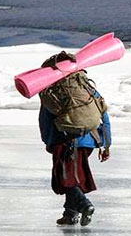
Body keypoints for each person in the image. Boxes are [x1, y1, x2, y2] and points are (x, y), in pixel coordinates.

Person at [39, 83, 112, 227]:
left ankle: (84, 205)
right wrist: (106, 143)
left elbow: (45, 120)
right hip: (89, 139)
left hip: (64, 141)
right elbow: (104, 115)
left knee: (65, 178)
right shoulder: (87, 88)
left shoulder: (51, 92)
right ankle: (70, 214)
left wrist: (48, 142)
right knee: (73, 174)